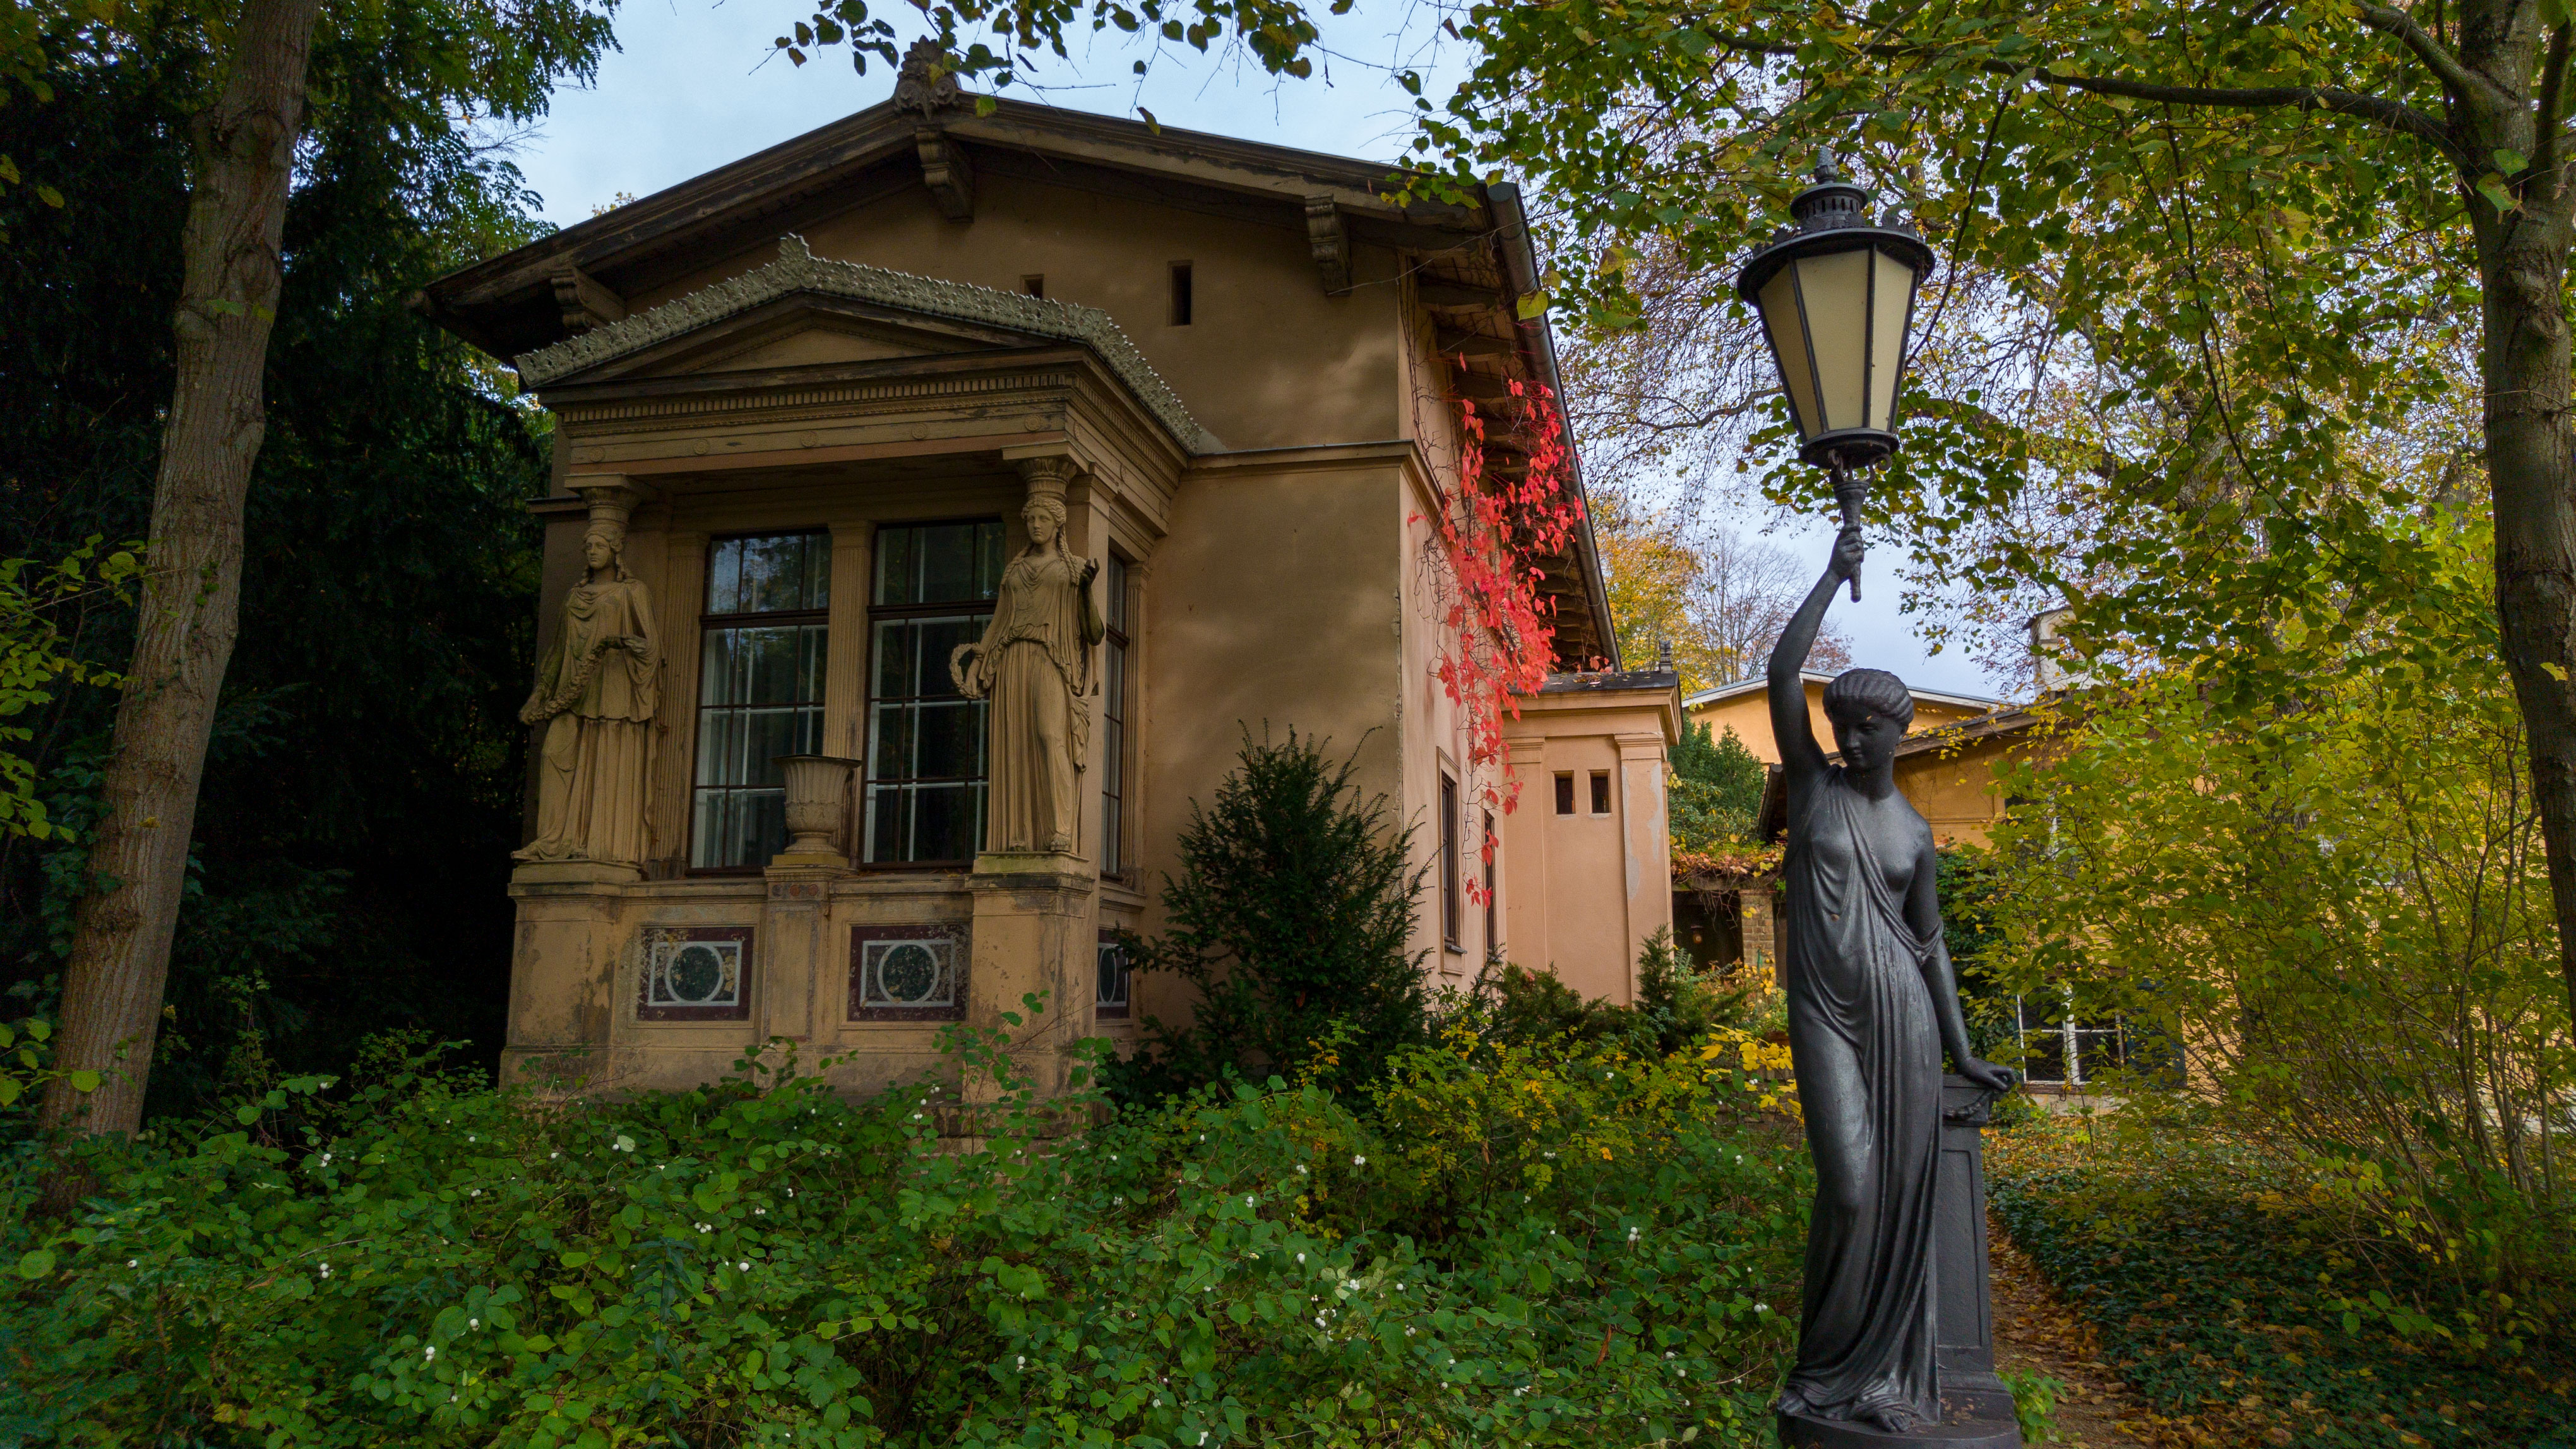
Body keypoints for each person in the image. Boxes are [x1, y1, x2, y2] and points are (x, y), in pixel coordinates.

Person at [1769, 528, 2014, 1433]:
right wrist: (1833, 577)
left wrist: (1963, 1047)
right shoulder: (1813, 787)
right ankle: (1828, 1365)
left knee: (1898, 1194)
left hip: (1905, 1023)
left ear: (1898, 731)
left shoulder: (1915, 834)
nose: (1851, 736)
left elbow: (1932, 944)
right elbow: (1782, 668)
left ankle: (1882, 1378)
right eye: (1843, 723)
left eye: (1867, 725)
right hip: (1827, 1012)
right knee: (1850, 1184)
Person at [950, 491, 1104, 854]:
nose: (1036, 525)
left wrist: (1085, 590)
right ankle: (1017, 836)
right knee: (1015, 744)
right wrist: (977, 664)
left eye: (1043, 520)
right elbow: (1000, 620)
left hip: (1050, 658)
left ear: (1057, 525)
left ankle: (1060, 828)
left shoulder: (1073, 569)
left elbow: (1094, 633)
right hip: (1011, 660)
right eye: (1031, 519)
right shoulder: (1014, 570)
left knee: (1051, 737)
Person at [516, 517, 660, 868]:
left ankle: (596, 846)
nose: (592, 551)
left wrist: (624, 641)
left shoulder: (631, 591)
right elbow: (557, 652)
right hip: (569, 692)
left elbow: (652, 647)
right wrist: (540, 694)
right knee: (553, 756)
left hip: (611, 691)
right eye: (588, 546)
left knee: (602, 761)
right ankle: (552, 840)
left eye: (599, 545)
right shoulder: (573, 596)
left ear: (615, 550)